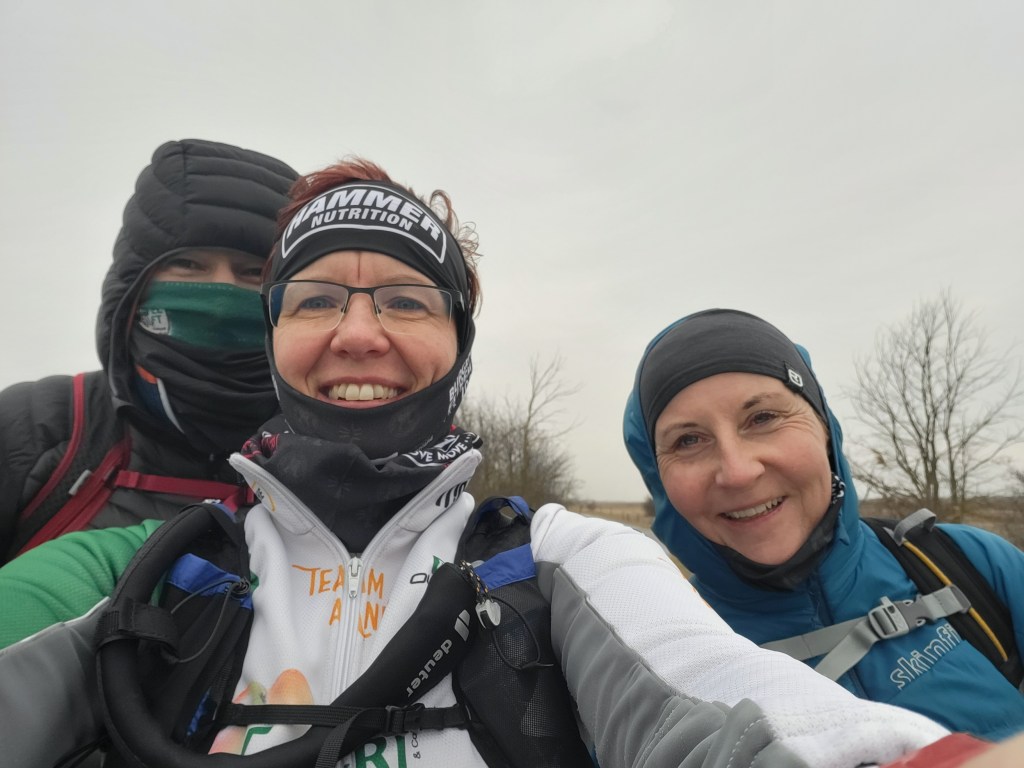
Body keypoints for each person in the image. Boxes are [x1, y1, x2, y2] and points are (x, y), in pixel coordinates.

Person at [1, 160, 983, 768]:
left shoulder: (553, 558)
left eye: (405, 300)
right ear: (275, 343)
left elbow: (715, 696)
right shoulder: (159, 568)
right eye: (316, 299)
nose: (358, 333)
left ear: (459, 350)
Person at [623, 308, 1024, 743]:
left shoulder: (973, 565)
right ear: (658, 480)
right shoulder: (659, 670)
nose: (737, 472)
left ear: (824, 428)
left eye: (763, 418)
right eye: (688, 440)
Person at [0, 138, 298, 561]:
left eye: (252, 273)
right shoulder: (39, 427)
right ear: (133, 287)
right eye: (189, 264)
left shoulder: (323, 456)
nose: (220, 295)